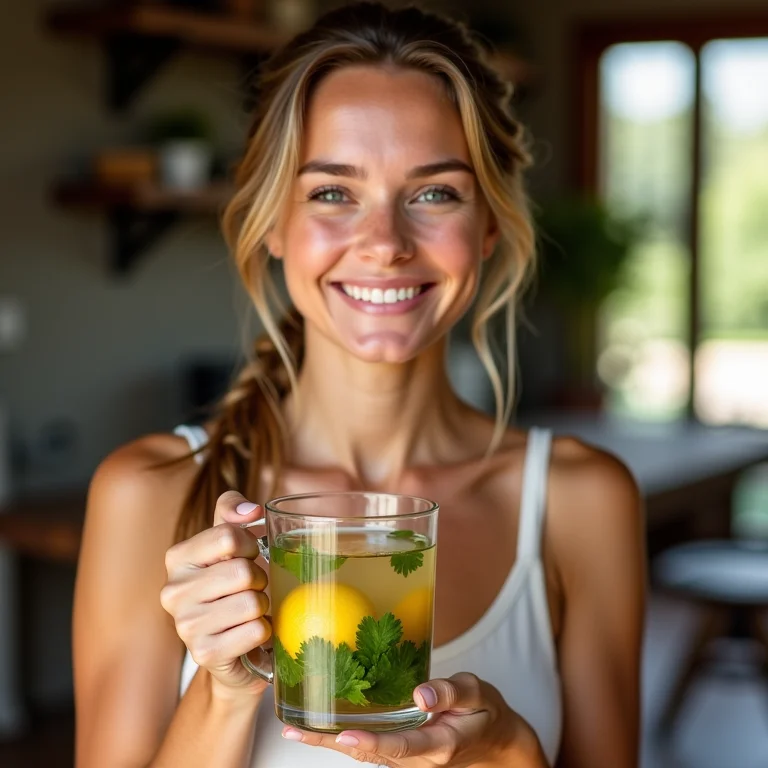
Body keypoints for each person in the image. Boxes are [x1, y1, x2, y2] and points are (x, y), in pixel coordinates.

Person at [72, 3, 645, 767]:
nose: (383, 244)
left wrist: (507, 750)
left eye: (435, 192)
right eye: (332, 193)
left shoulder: (580, 501)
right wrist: (224, 689)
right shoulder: (147, 494)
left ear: (490, 225)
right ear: (273, 222)